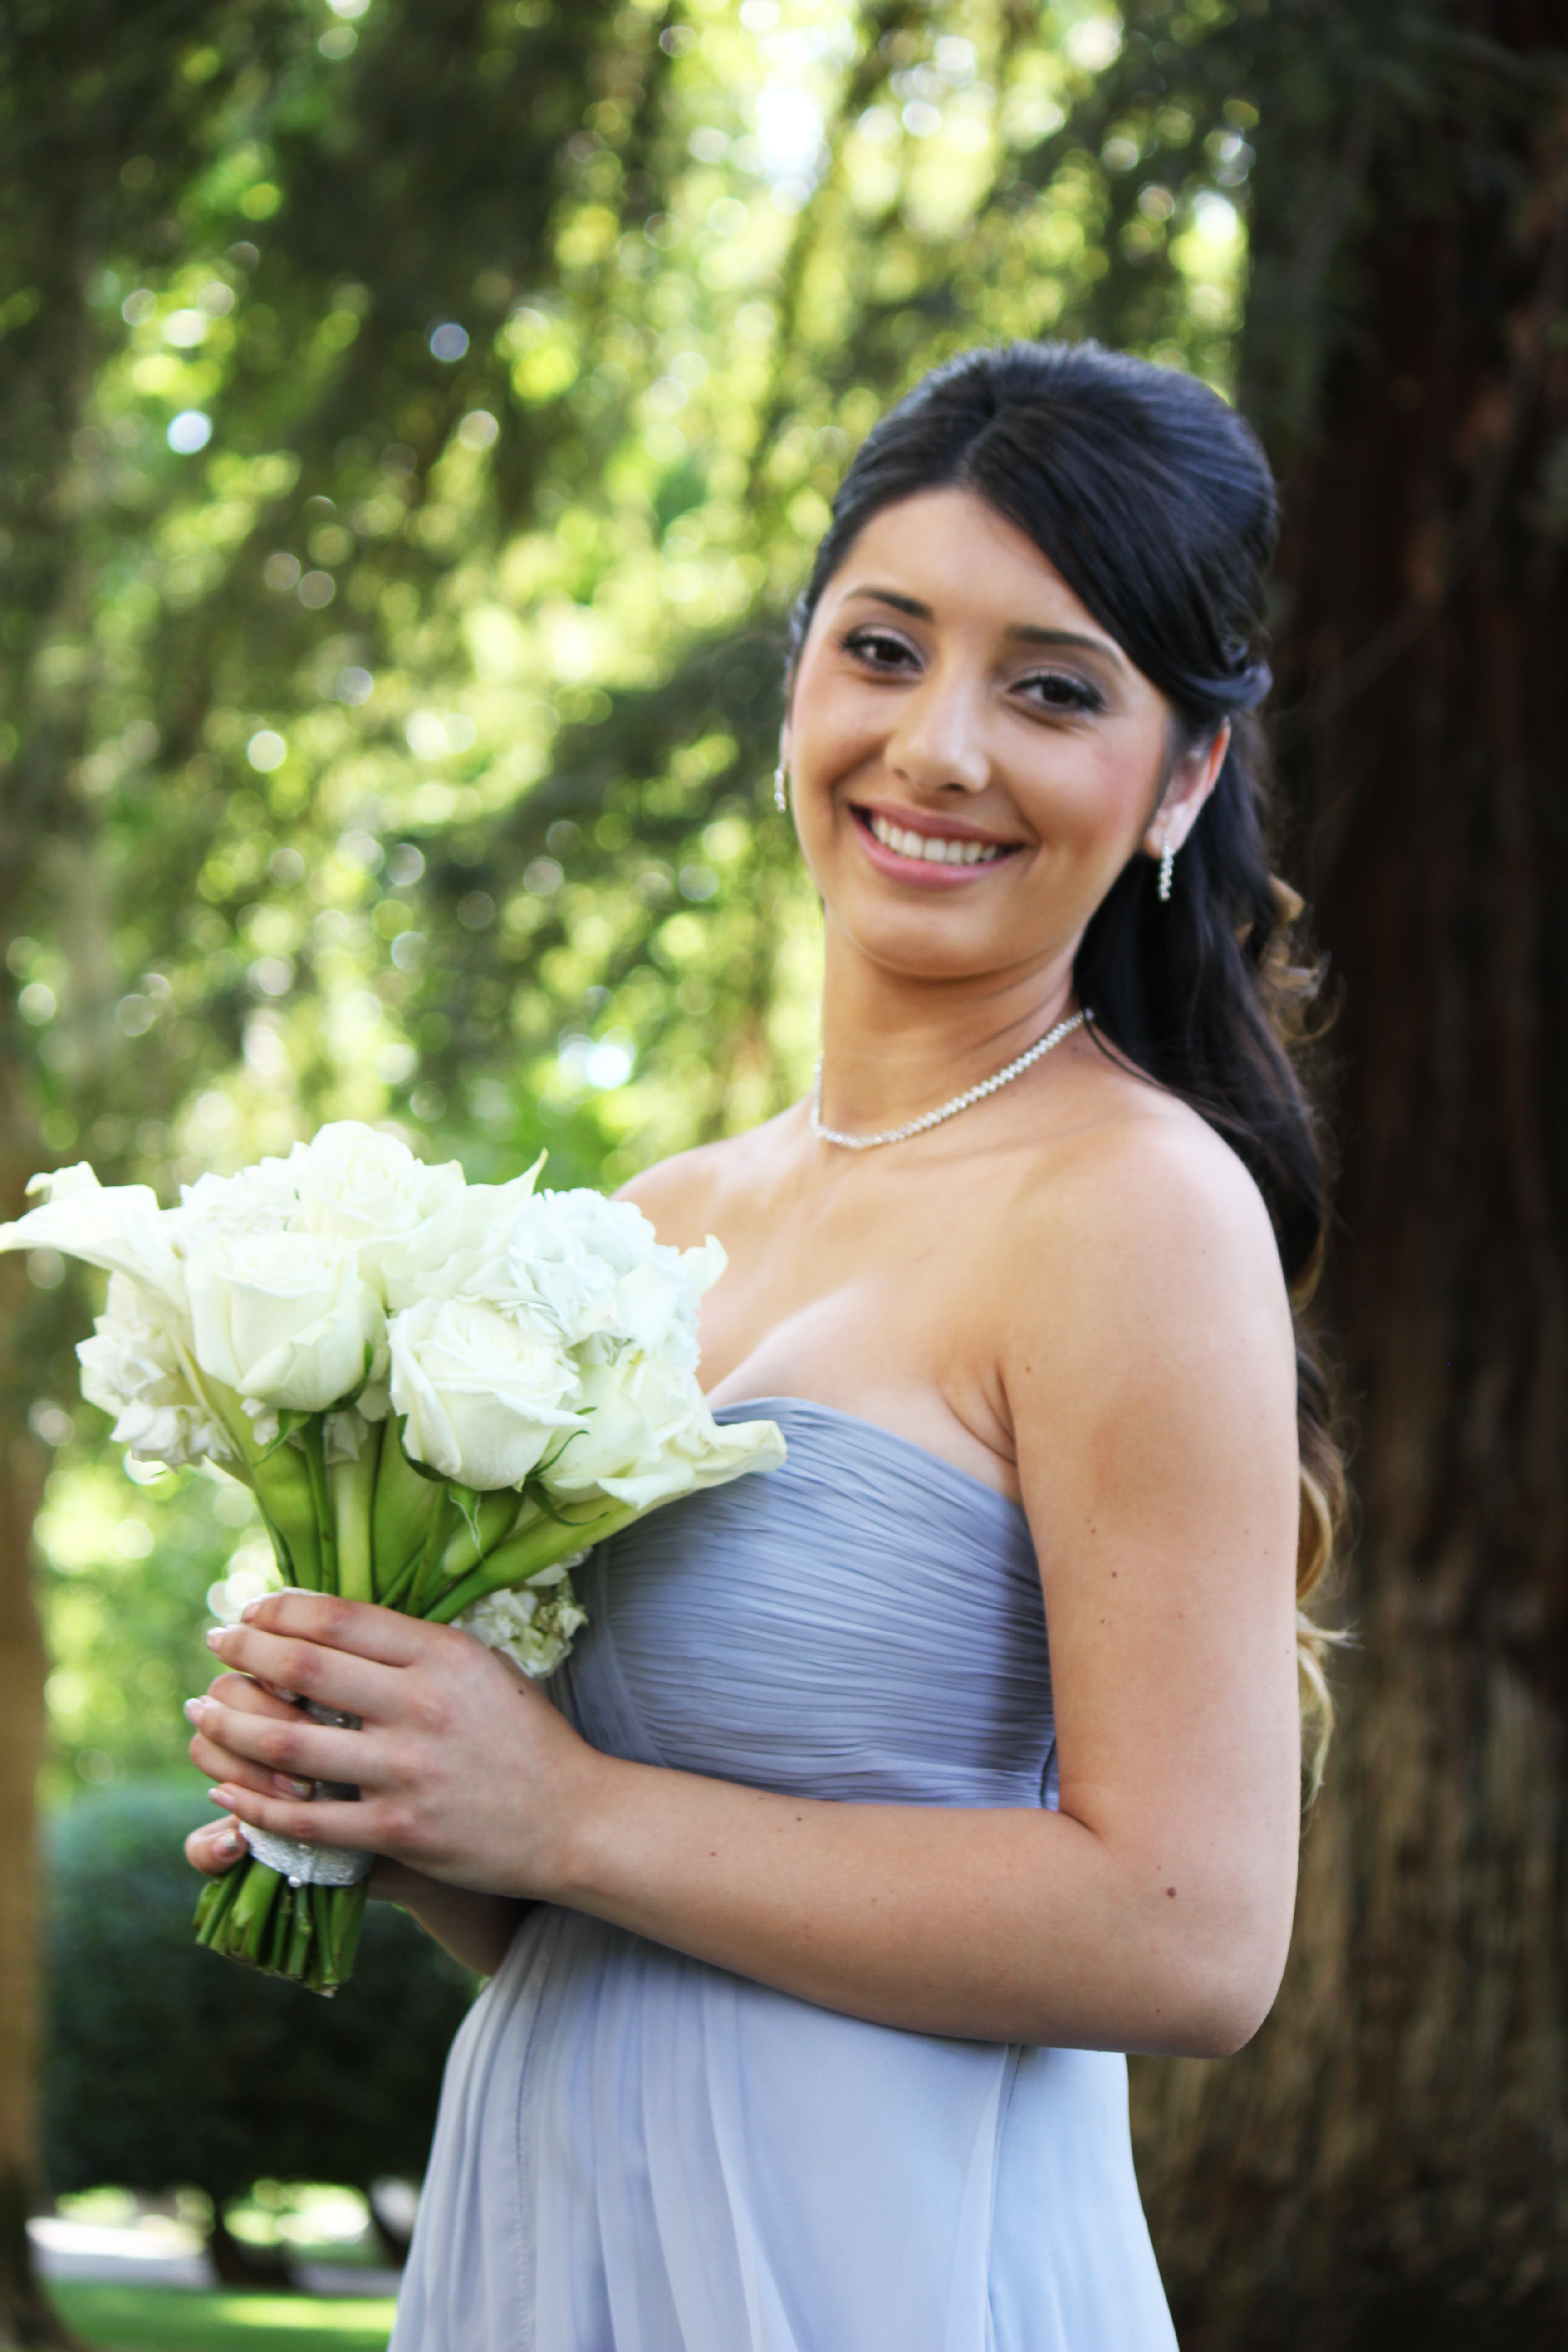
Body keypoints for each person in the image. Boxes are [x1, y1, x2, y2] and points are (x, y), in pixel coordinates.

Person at [185, 340, 1343, 2350]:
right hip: (552, 2232)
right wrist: (401, 1794)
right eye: (885, 650)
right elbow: (607, 1896)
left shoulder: (1134, 1212)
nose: (943, 747)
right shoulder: (649, 1229)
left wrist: (560, 1812)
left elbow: (1193, 1936)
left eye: (1053, 689)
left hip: (879, 2268)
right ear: (801, 678)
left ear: (1181, 779)